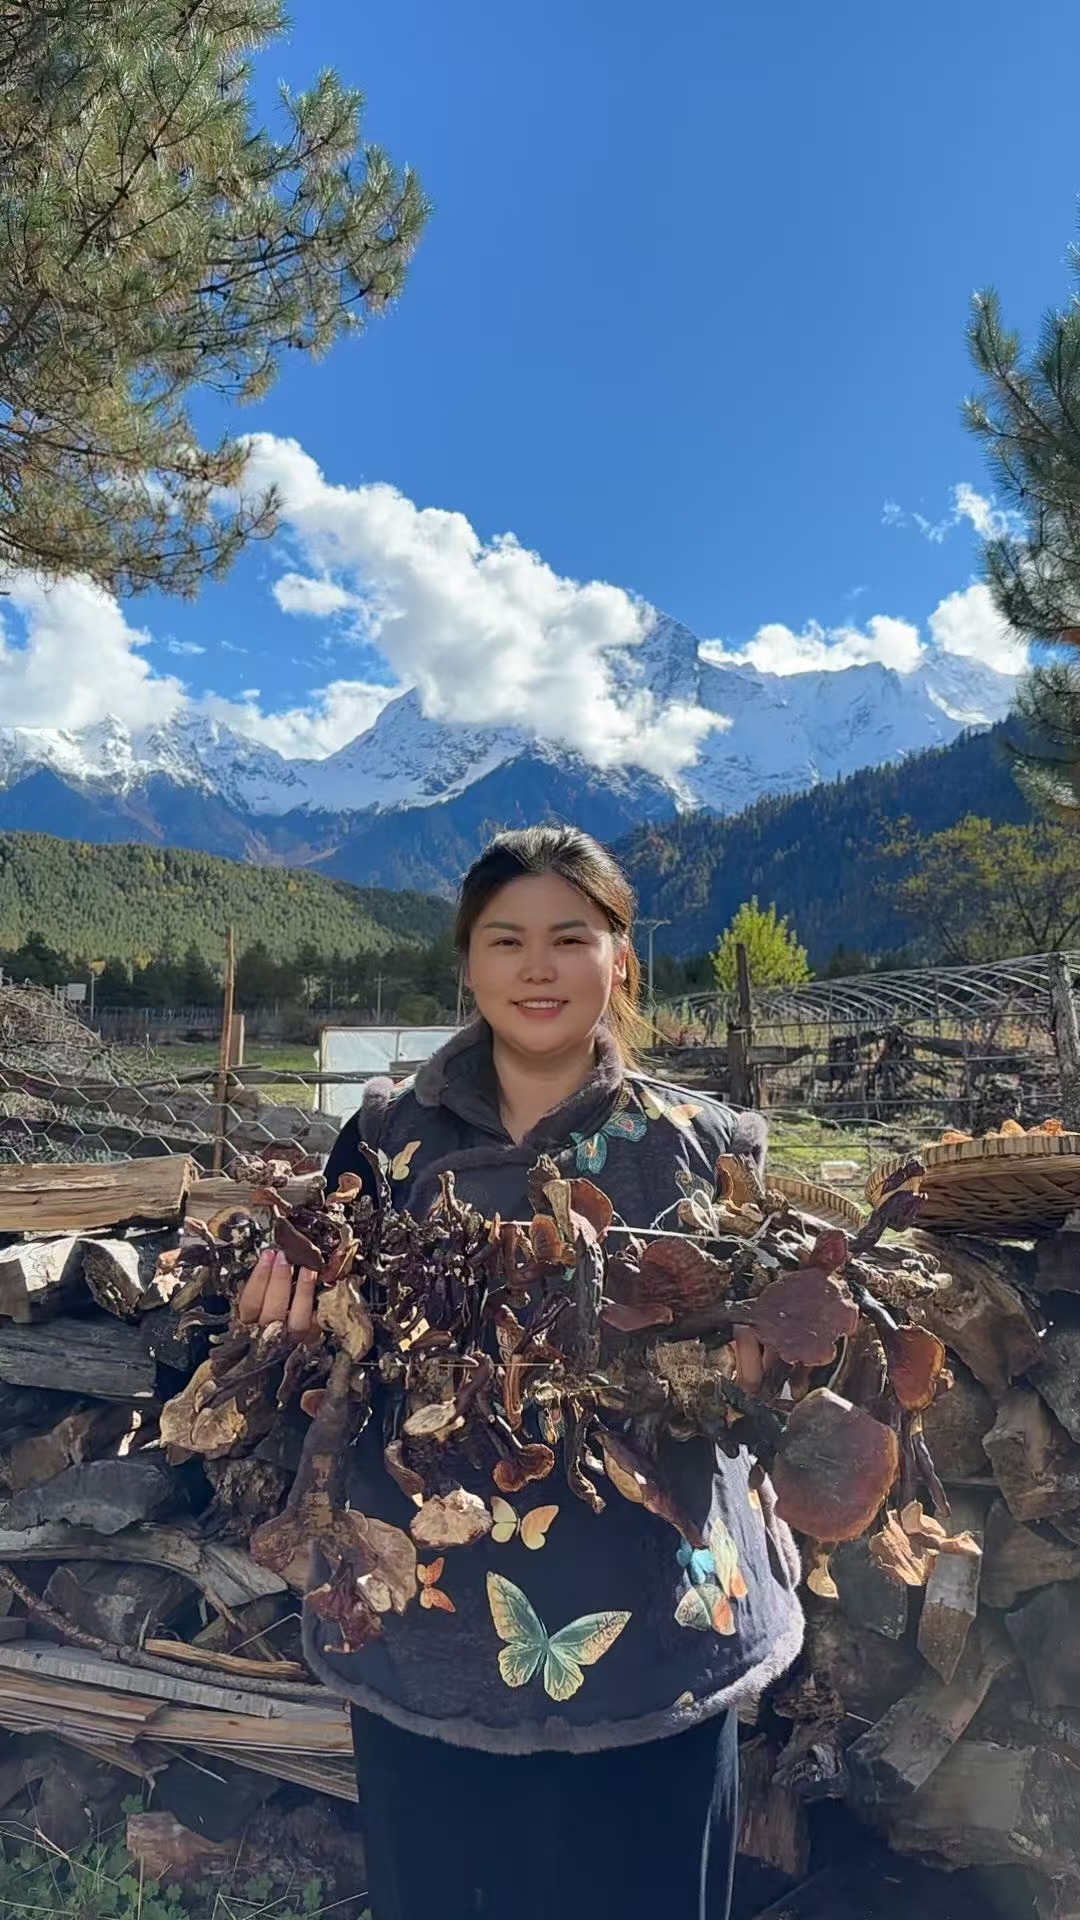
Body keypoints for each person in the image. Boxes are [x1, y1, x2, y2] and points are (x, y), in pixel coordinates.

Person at [239, 826, 803, 1920]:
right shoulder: (380, 1142)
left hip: (658, 1623)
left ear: (621, 960)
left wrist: (769, 1356)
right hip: (427, 1627)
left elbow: (766, 1373)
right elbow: (338, 1354)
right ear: (468, 964)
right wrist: (288, 1324)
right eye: (506, 940)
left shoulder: (705, 1144)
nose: (537, 967)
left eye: (570, 937)